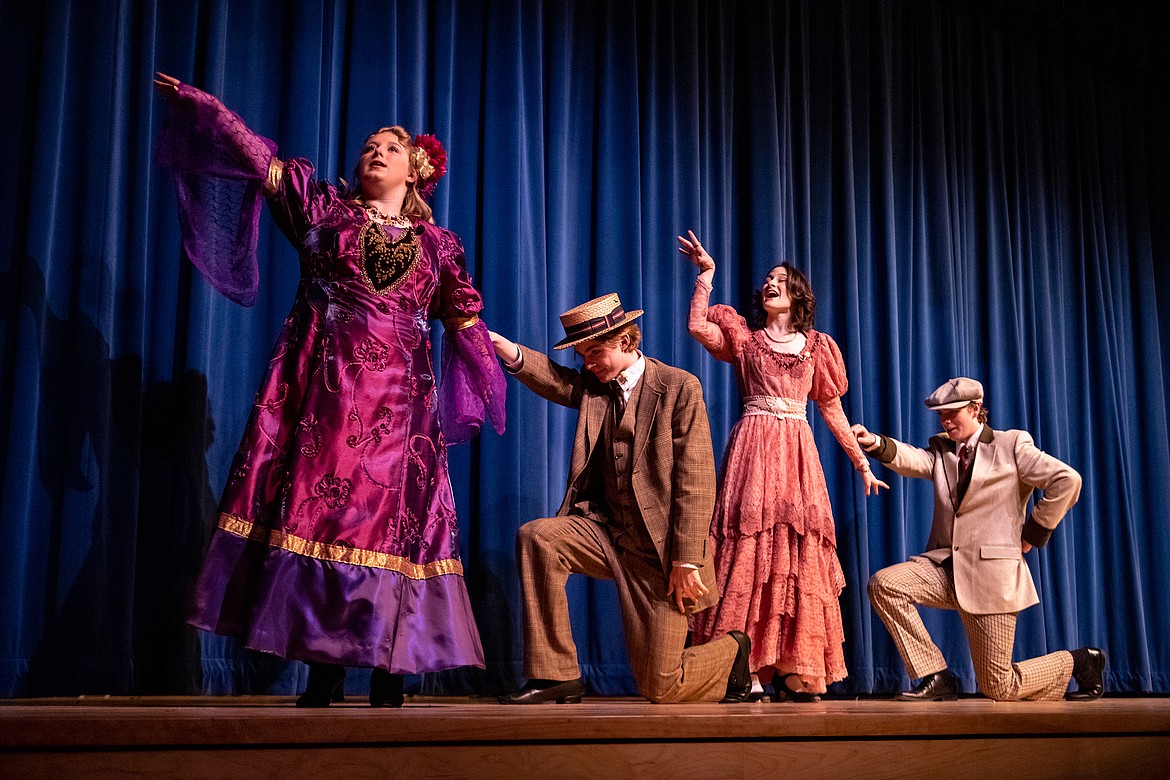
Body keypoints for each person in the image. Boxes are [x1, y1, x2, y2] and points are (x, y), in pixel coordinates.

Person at [153, 73, 505, 707]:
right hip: (328, 398)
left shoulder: (439, 248)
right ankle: (324, 665)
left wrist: (490, 376)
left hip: (403, 414)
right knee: (326, 518)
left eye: (390, 147)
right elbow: (261, 161)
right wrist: (207, 108)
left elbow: (465, 319)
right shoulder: (325, 214)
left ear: (416, 171)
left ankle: (391, 669)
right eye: (368, 145)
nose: (374, 151)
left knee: (398, 530)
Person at [486, 293, 751, 704]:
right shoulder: (595, 387)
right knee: (539, 537)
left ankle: (732, 651)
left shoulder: (678, 387)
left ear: (625, 342)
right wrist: (508, 350)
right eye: (582, 355)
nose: (587, 364)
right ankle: (556, 674)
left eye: (595, 353)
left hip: (658, 554)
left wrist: (685, 560)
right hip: (606, 533)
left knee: (662, 686)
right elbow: (558, 380)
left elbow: (695, 481)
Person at [677, 231, 887, 702]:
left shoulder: (817, 347)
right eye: (767, 279)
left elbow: (831, 409)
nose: (771, 283)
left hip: (797, 455)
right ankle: (742, 666)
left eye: (781, 280)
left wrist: (861, 464)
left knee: (795, 557)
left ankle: (793, 668)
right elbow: (697, 328)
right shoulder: (746, 341)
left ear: (797, 296)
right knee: (749, 553)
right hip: (754, 450)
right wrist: (706, 277)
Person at [851, 377, 1105, 701]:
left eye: (952, 413)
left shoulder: (1011, 445)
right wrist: (873, 441)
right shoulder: (944, 451)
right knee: (885, 584)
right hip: (946, 568)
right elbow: (913, 459)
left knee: (1000, 687)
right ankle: (936, 674)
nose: (945, 420)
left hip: (990, 578)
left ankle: (1082, 661)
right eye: (940, 414)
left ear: (975, 409)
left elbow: (1066, 480)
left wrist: (1033, 532)